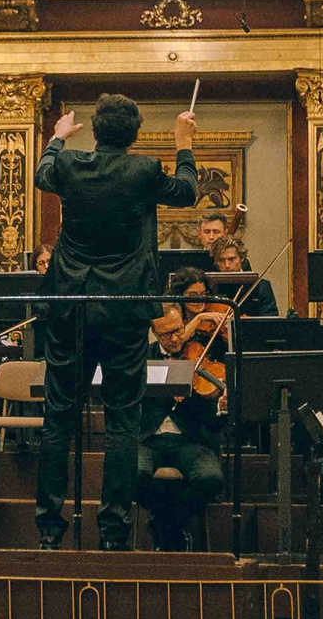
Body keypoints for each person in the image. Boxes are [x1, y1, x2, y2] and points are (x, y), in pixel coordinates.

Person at [35, 94, 200, 550]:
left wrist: (56, 138)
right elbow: (187, 191)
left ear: (96, 129)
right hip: (124, 308)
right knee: (122, 422)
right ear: (134, 135)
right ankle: (112, 532)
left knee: (58, 418)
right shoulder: (144, 170)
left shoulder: (69, 164)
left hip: (71, 305)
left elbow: (41, 174)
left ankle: (50, 530)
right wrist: (183, 143)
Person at [141, 268, 228, 551]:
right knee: (130, 473)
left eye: (179, 331)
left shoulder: (199, 356)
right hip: (150, 438)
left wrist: (216, 405)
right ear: (155, 332)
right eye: (166, 335)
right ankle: (172, 526)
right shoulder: (144, 358)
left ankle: (165, 524)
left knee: (211, 478)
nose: (175, 340)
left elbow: (213, 421)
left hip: (190, 439)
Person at [209, 239, 280, 317]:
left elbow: (270, 319)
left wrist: (250, 322)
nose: (227, 265)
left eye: (231, 259)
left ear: (241, 258)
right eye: (222, 260)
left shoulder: (262, 286)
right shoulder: (210, 286)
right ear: (216, 262)